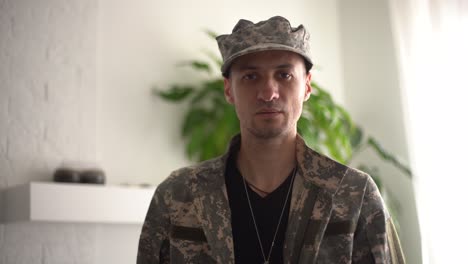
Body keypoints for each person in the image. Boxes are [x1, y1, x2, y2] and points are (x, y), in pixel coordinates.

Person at [137, 16, 405, 264]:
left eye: (284, 75)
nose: (268, 93)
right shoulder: (178, 195)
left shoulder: (353, 195)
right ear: (229, 89)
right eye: (250, 76)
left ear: (307, 86)